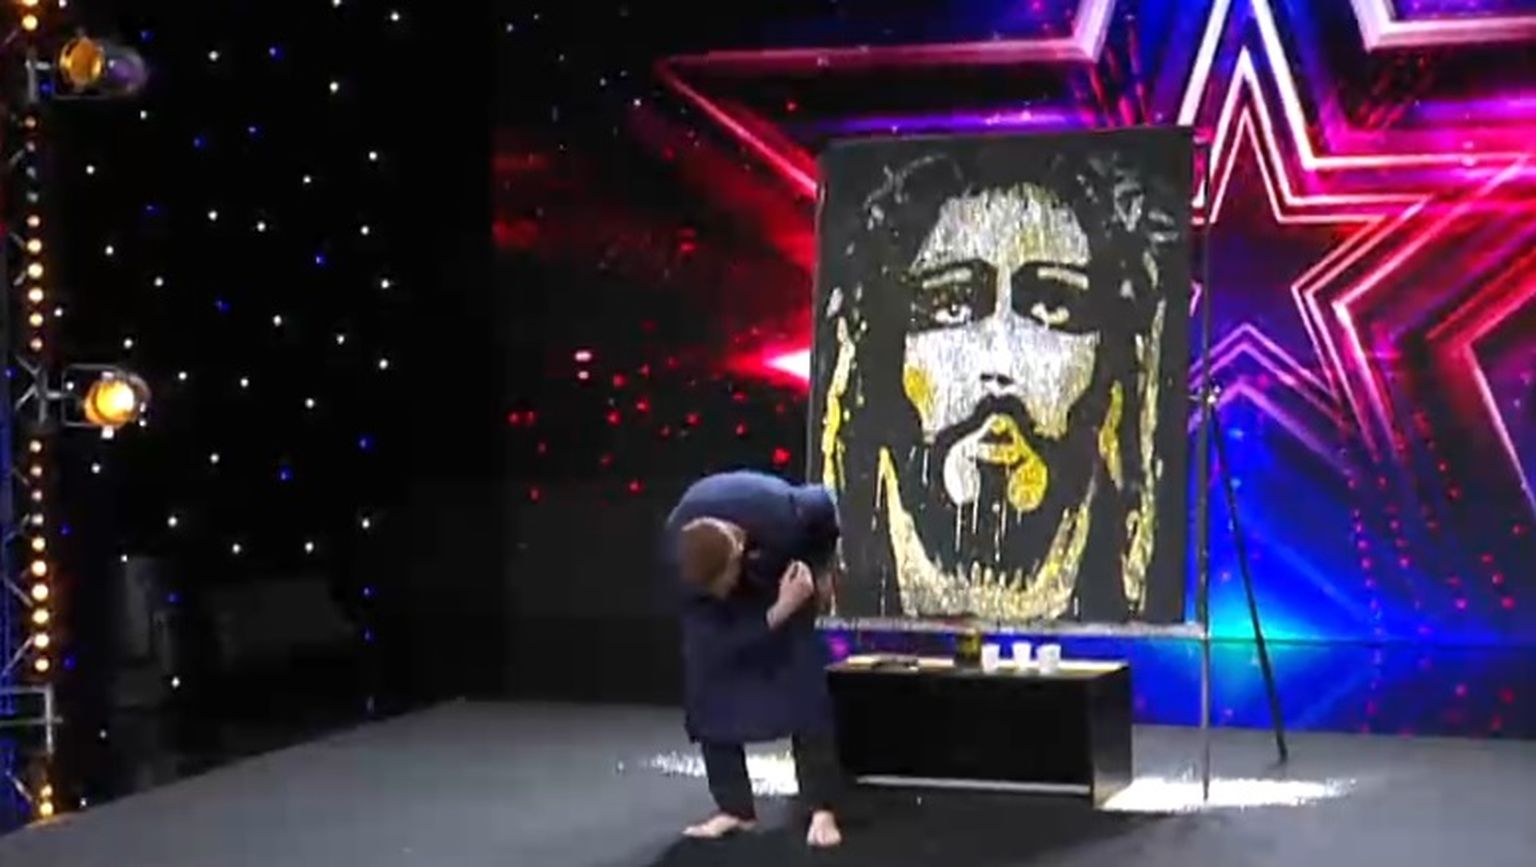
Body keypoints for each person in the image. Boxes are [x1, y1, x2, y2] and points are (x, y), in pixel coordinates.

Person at [662, 470, 844, 848]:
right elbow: (712, 642)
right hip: (765, 603)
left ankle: (821, 807)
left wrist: (822, 571)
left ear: (736, 556)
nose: (721, 592)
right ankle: (735, 809)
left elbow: (824, 503)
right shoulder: (680, 553)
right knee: (706, 679)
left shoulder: (785, 513)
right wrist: (776, 611)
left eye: (722, 583)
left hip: (782, 577)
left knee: (804, 687)